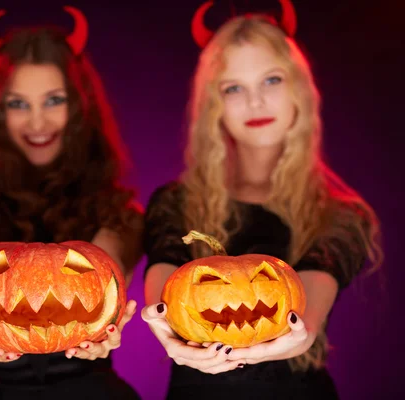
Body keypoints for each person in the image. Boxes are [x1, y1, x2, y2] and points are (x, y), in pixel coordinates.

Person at [141, 1, 383, 398]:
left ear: (299, 91)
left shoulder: (342, 215)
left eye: (271, 80)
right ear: (213, 106)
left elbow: (305, 314)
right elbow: (167, 287)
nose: (255, 101)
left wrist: (297, 337)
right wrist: (168, 334)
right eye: (233, 88)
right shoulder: (174, 202)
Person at [0, 7, 143, 399]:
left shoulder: (120, 213)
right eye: (18, 104)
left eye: (53, 100)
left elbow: (105, 267)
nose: (37, 122)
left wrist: (108, 326)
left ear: (79, 109)